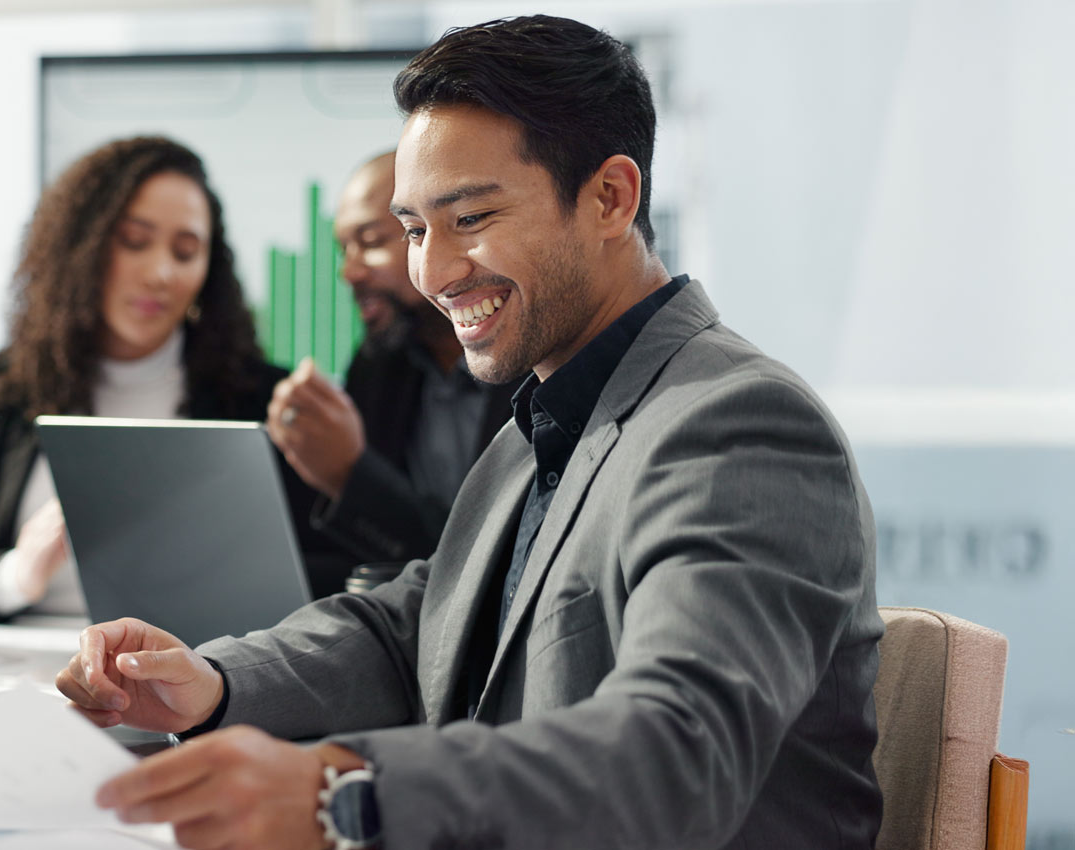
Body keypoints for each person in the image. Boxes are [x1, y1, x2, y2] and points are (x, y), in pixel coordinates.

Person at [57, 16, 881, 850]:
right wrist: (213, 681)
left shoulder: (737, 425)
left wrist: (340, 790)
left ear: (609, 197)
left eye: (470, 218)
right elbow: (418, 622)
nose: (433, 272)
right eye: (414, 230)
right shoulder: (548, 413)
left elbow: (675, 753)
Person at [0, 136, 325, 621]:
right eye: (134, 242)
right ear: (82, 249)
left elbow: (332, 578)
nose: (160, 272)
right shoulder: (4, 394)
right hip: (15, 665)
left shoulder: (261, 402)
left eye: (185, 252)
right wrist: (14, 576)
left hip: (199, 674)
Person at [268, 151, 521, 565]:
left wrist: (351, 475)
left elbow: (496, 565)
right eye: (343, 249)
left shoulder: (537, 361)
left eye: (369, 242)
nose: (348, 272)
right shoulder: (379, 365)